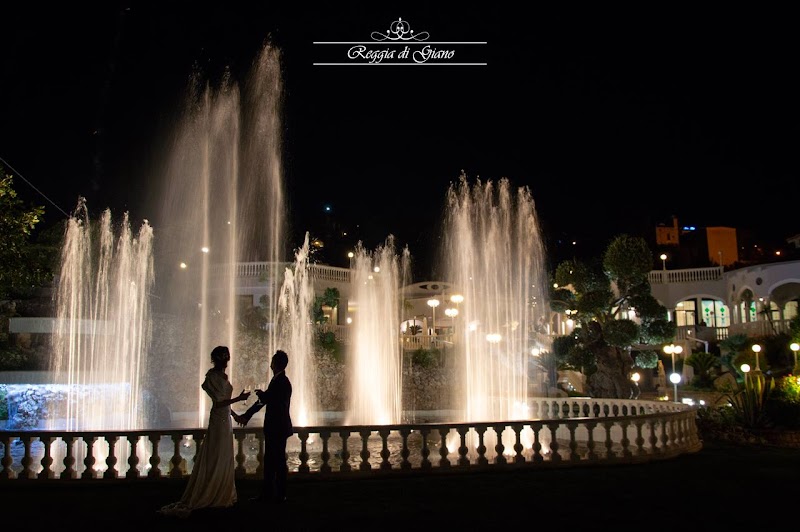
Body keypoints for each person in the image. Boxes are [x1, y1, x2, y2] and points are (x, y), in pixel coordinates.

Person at [159, 345, 250, 518]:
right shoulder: (212, 377)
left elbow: (225, 403)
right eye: (225, 357)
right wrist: (239, 398)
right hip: (217, 420)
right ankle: (212, 491)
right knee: (215, 453)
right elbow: (218, 403)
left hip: (225, 420)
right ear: (221, 359)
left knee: (223, 454)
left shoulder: (222, 376)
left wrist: (235, 415)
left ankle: (222, 490)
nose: (227, 360)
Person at [235, 349, 293, 504]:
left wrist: (263, 396)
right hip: (277, 428)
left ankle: (278, 495)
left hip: (277, 428)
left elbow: (270, 400)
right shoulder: (278, 381)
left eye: (272, 361)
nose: (270, 365)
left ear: (275, 364)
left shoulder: (281, 382)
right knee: (272, 462)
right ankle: (271, 494)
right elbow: (266, 400)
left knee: (277, 463)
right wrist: (248, 415)